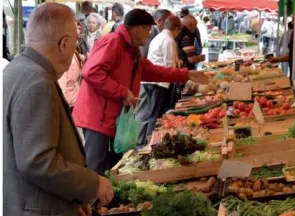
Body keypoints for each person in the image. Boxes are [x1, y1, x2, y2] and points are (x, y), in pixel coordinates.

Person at [3, 3, 114, 215]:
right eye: (75, 41)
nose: (76, 47)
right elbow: (37, 161)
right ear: (63, 44)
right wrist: (92, 184)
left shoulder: (16, 70)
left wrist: (71, 198)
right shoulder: (37, 82)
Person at [72, 9, 209, 175]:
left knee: (112, 167)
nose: (150, 33)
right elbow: (91, 72)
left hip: (112, 117)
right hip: (97, 117)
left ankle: (106, 199)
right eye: (147, 29)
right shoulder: (113, 42)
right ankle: (91, 201)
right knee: (96, 168)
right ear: (137, 29)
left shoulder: (131, 48)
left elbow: (152, 71)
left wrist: (186, 74)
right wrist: (122, 92)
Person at [136, 16, 182, 148]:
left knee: (149, 113)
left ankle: (144, 143)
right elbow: (169, 64)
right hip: (159, 82)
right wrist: (179, 70)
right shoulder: (169, 40)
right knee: (155, 115)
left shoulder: (158, 38)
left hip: (149, 81)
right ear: (176, 28)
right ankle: (150, 145)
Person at [58, 23, 84, 113]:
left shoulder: (73, 52)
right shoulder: (66, 56)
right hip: (67, 102)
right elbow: (61, 84)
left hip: (73, 100)